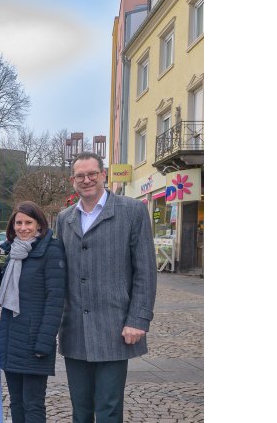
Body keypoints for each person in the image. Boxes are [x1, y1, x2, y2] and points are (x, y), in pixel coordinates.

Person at [56, 152, 157, 423]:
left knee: (110, 407)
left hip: (115, 327)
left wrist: (138, 319)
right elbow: (58, 272)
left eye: (92, 174)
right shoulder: (64, 218)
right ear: (73, 180)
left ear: (104, 175)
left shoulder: (132, 211)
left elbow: (145, 271)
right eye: (80, 175)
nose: (86, 180)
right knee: (80, 408)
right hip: (75, 328)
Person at [0, 201, 67, 423]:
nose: (23, 227)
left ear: (39, 225)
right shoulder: (12, 254)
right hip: (11, 339)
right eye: (19, 222)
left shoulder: (52, 251)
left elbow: (55, 300)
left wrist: (45, 343)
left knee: (33, 404)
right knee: (16, 402)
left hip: (34, 340)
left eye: (28, 222)